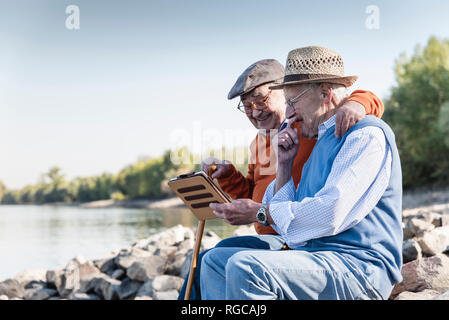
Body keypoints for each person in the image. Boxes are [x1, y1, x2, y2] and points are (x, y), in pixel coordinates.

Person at [199, 46, 403, 300]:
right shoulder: (315, 136)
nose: (290, 112)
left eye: (293, 102)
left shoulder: (365, 135)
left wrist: (260, 211)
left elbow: (330, 213)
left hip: (359, 267)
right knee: (213, 262)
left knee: (245, 267)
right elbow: (286, 227)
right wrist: (283, 166)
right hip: (313, 255)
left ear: (326, 93)